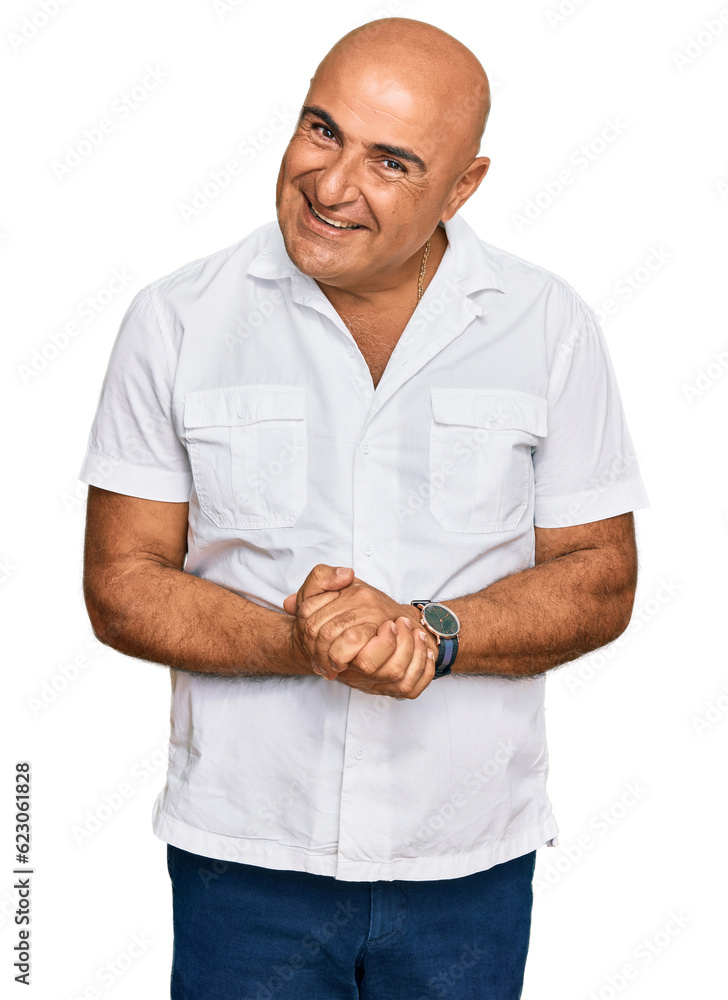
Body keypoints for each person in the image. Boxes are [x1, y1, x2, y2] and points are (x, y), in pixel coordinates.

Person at [79, 16, 649, 1000]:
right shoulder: (175, 319)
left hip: (466, 862)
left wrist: (430, 631)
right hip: (242, 860)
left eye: (390, 161)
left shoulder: (545, 325)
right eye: (320, 129)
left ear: (462, 186)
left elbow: (600, 577)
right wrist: (303, 642)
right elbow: (120, 584)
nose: (332, 184)